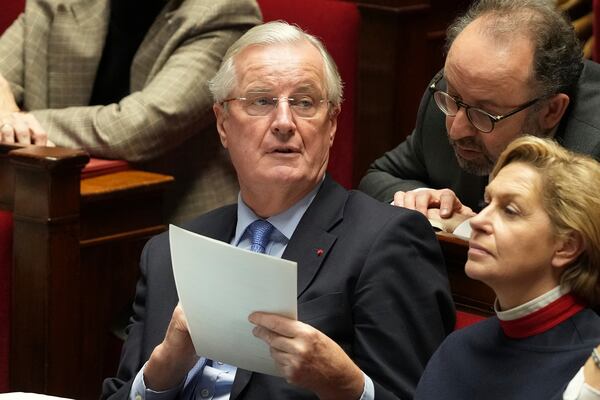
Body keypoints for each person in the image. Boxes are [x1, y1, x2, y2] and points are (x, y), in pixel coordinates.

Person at [101, 21, 455, 400]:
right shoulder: (167, 253)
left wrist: (346, 385)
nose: (285, 123)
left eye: (304, 102)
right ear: (222, 123)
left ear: (332, 124)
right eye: (261, 101)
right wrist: (160, 374)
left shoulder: (387, 241)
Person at [0, 0, 262, 222]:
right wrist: (9, 118)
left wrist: (20, 122)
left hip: (169, 223)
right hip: (54, 208)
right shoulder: (59, 4)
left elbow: (135, 128)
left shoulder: (224, 12)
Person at [359, 0, 600, 232]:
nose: (456, 130)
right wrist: (420, 199)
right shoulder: (452, 96)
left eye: (484, 113)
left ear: (551, 111)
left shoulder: (593, 147)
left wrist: (466, 228)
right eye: (454, 98)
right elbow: (378, 177)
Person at [414, 136, 600, 400]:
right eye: (486, 204)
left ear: (567, 246)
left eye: (510, 211)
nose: (478, 222)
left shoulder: (592, 367)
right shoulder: (458, 348)